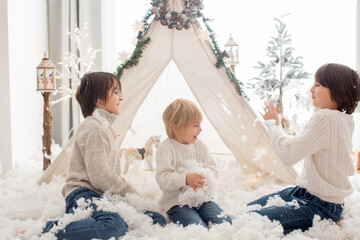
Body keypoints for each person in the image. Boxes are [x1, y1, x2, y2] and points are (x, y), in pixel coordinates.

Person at [42, 72, 166, 239]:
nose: (121, 97)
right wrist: (129, 192)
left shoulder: (105, 127)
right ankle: (51, 228)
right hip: (83, 194)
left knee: (156, 219)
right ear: (99, 100)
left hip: (103, 194)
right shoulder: (93, 127)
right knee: (113, 226)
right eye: (115, 92)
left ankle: (103, 222)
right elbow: (100, 176)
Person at [247, 63, 360, 234]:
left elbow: (288, 154)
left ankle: (327, 219)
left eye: (318, 85)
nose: (311, 90)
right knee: (253, 208)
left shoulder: (324, 118)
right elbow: (304, 144)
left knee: (252, 216)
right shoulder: (344, 119)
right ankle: (332, 216)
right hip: (311, 195)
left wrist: (273, 125)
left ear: (338, 90)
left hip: (318, 205)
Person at [155, 98, 232, 228]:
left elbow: (211, 167)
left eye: (200, 125)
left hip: (201, 199)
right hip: (176, 201)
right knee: (196, 226)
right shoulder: (166, 147)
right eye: (195, 125)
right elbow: (163, 177)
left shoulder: (199, 145)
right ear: (176, 127)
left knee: (224, 222)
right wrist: (185, 179)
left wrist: (203, 178)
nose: (200, 129)